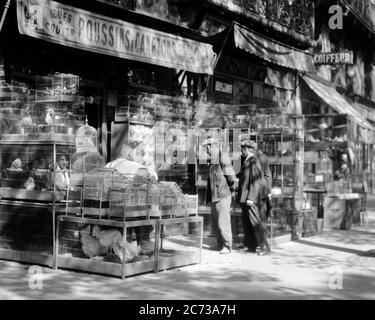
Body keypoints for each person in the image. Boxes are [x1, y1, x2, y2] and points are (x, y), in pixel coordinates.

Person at [105, 143, 155, 251]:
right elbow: (153, 177)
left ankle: (121, 256)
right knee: (143, 234)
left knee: (122, 238)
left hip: (112, 210)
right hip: (136, 210)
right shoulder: (136, 166)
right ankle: (143, 253)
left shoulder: (108, 166)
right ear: (130, 154)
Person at [237, 139, 270, 256]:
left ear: (245, 149)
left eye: (241, 149)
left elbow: (255, 182)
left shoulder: (253, 161)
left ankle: (264, 247)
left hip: (251, 198)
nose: (241, 152)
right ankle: (251, 245)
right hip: (247, 198)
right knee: (248, 222)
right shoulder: (249, 161)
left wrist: (250, 198)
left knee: (255, 222)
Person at [203, 137, 236, 254]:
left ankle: (227, 246)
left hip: (222, 195)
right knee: (216, 221)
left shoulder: (222, 156)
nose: (207, 150)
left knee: (223, 222)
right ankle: (220, 244)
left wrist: (231, 189)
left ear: (213, 146)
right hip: (215, 196)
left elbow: (230, 176)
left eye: (208, 147)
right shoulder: (213, 159)